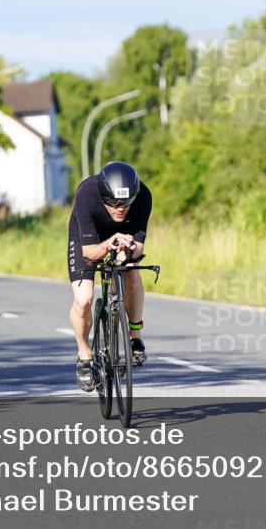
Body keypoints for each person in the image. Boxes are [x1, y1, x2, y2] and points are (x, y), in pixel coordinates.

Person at [68, 161, 152, 391]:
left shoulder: (143, 196)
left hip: (123, 236)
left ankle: (135, 337)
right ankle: (84, 354)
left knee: (132, 275)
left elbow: (139, 248)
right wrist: (108, 244)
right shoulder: (87, 193)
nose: (120, 208)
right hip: (88, 239)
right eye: (113, 203)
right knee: (83, 299)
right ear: (103, 196)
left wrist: (129, 246)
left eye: (125, 203)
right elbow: (90, 253)